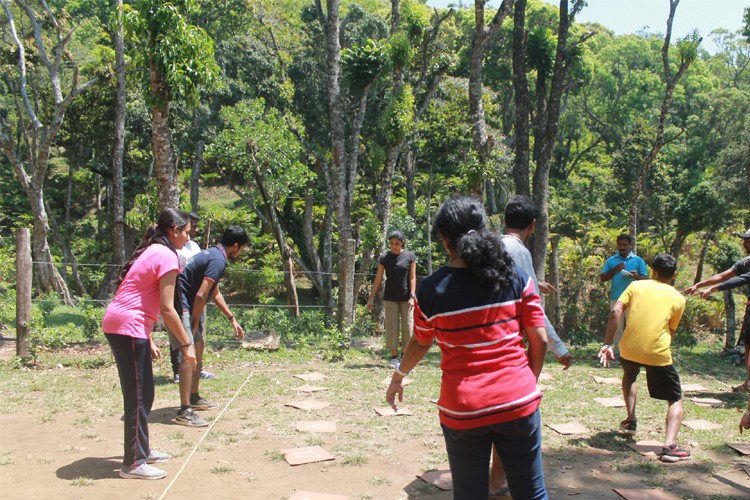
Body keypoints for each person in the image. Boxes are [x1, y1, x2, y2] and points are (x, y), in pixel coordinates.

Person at [385, 196, 549, 500]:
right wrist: (526, 382)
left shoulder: (431, 290)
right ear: (483, 229)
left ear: (444, 238)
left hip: (462, 409)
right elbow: (539, 340)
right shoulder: (516, 278)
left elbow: (421, 342)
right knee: (532, 494)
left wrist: (398, 377)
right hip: (518, 401)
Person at [102, 208, 194, 480]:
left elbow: (140, 294)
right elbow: (167, 308)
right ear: (174, 230)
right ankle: (133, 463)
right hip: (127, 327)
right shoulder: (167, 255)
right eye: (186, 232)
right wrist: (186, 344)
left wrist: (149, 336)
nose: (188, 238)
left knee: (145, 393)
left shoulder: (154, 250)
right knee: (138, 396)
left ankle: (141, 449)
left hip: (127, 325)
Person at [490, 195, 571, 495]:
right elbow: (532, 310)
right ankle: (499, 479)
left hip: (485, 338)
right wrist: (559, 347)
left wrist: (537, 280)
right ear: (533, 225)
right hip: (510, 343)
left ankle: (496, 479)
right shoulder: (519, 250)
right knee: (514, 416)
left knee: (496, 415)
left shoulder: (491, 245)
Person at [599, 253, 689, 463]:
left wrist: (607, 343)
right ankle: (669, 447)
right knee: (675, 399)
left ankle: (631, 421)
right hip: (657, 351)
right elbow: (671, 331)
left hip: (628, 348)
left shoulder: (636, 287)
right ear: (674, 275)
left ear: (654, 271)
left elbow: (616, 311)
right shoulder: (678, 298)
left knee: (629, 375)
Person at [169, 225, 249, 427]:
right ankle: (184, 411)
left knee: (198, 346)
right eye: (242, 249)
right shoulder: (218, 259)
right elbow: (200, 295)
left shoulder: (215, 254)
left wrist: (231, 318)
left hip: (188, 304)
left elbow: (214, 292)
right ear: (236, 246)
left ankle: (194, 398)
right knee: (189, 355)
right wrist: (195, 323)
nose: (241, 253)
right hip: (182, 305)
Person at [684, 229, 750, 392]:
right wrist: (699, 285)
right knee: (748, 345)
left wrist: (714, 289)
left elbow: (743, 279)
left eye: (747, 240)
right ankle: (748, 382)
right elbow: (724, 275)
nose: (744, 243)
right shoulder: (746, 262)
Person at [170, 212, 216, 383]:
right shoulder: (174, 247)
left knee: (199, 331)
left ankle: (198, 368)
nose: (194, 230)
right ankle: (178, 370)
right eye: (192, 226)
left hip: (196, 295)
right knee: (179, 331)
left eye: (196, 226)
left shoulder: (194, 247)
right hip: (179, 295)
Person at [367, 230, 417, 369]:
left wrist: (412, 296)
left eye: (397, 243)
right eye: (392, 243)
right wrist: (371, 298)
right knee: (392, 327)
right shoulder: (385, 258)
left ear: (402, 243)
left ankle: (404, 357)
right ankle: (394, 357)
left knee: (408, 327)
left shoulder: (410, 256)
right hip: (390, 298)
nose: (394, 246)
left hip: (406, 297)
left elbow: (413, 277)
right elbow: (378, 278)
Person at [600, 234, 649, 352]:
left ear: (630, 245)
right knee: (617, 326)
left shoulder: (638, 260)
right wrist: (615, 270)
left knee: (634, 325)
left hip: (635, 298)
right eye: (620, 245)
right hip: (617, 297)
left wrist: (636, 276)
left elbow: (646, 279)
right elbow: (603, 278)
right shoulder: (611, 261)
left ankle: (634, 351)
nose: (622, 247)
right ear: (617, 245)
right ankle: (617, 352)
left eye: (625, 245)